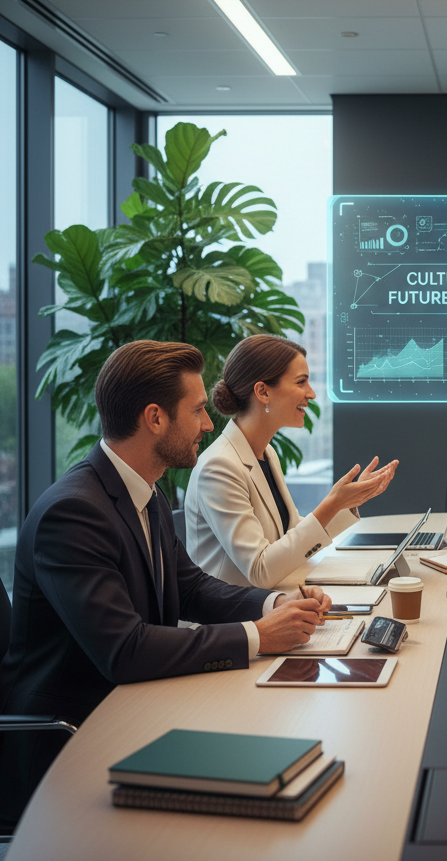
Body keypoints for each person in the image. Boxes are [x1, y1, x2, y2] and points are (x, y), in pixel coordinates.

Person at [0, 341, 333, 824]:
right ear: (154, 418)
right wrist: (261, 636)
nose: (207, 423)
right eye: (197, 410)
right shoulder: (72, 513)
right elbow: (125, 650)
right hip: (68, 739)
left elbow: (193, 587)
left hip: (136, 710)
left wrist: (275, 604)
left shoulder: (145, 491)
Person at [186, 335, 398, 588]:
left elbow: (293, 537)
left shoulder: (267, 453)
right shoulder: (219, 467)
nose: (312, 394)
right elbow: (260, 570)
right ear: (263, 392)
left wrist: (347, 503)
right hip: (231, 621)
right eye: (301, 382)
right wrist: (332, 503)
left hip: (273, 604)